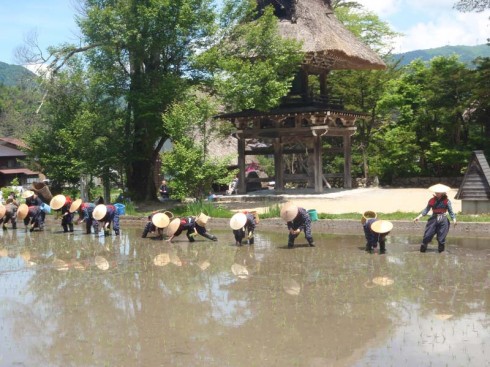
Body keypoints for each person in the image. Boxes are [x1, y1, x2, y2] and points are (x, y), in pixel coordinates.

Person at [413, 183, 457, 253]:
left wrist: (454, 220)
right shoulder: (432, 200)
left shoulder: (447, 201)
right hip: (433, 219)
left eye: (439, 192)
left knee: (441, 238)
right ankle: (422, 251)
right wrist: (418, 217)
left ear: (443, 193)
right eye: (436, 192)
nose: (437, 193)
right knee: (427, 235)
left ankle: (441, 253)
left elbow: (451, 211)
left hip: (443, 219)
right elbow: (426, 210)